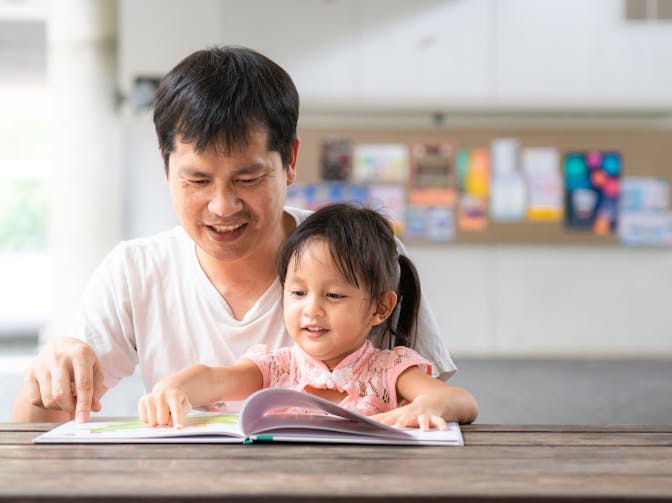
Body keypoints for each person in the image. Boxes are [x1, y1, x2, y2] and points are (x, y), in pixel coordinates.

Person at [11, 46, 456, 423]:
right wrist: (45, 379)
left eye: (247, 179)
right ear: (165, 166)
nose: (223, 207)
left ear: (291, 160)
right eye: (198, 181)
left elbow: (432, 409)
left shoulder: (355, 253)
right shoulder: (136, 271)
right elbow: (39, 431)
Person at [139, 204, 477, 431]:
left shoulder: (388, 370)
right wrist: (174, 388)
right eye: (298, 293)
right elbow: (213, 379)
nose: (311, 309)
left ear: (380, 308)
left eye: (333, 295)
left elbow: (461, 401)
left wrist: (428, 404)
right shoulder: (277, 367)